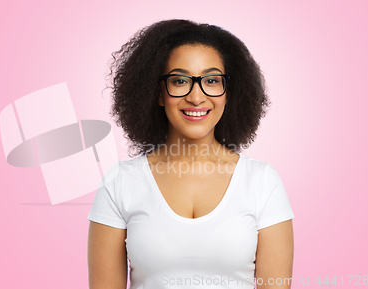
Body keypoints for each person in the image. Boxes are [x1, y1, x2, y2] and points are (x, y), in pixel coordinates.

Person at [87, 19, 294, 289]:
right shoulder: (120, 183)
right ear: (159, 93)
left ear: (228, 93)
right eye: (180, 80)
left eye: (211, 80)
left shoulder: (262, 182)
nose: (196, 97)